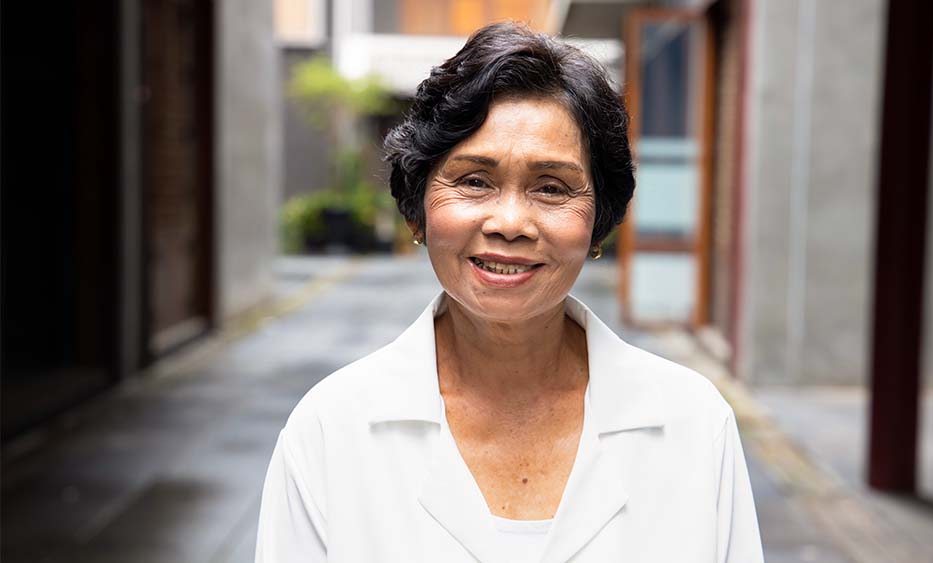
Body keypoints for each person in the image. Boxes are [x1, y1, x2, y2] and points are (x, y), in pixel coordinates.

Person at [255, 21, 763, 563]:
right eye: (474, 180)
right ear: (418, 209)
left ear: (598, 222)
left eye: (551, 187)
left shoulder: (693, 426)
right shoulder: (332, 430)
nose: (511, 222)